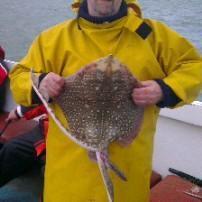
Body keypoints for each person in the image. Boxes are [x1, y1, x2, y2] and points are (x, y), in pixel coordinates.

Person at [9, 0, 202, 201]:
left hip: (127, 171)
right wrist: (39, 82)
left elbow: (194, 66)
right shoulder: (53, 39)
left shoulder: (153, 37)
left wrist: (164, 89)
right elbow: (19, 76)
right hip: (69, 174)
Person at [0, 105, 47, 187]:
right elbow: (46, 102)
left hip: (60, 137)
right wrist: (18, 112)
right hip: (46, 127)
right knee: (11, 148)